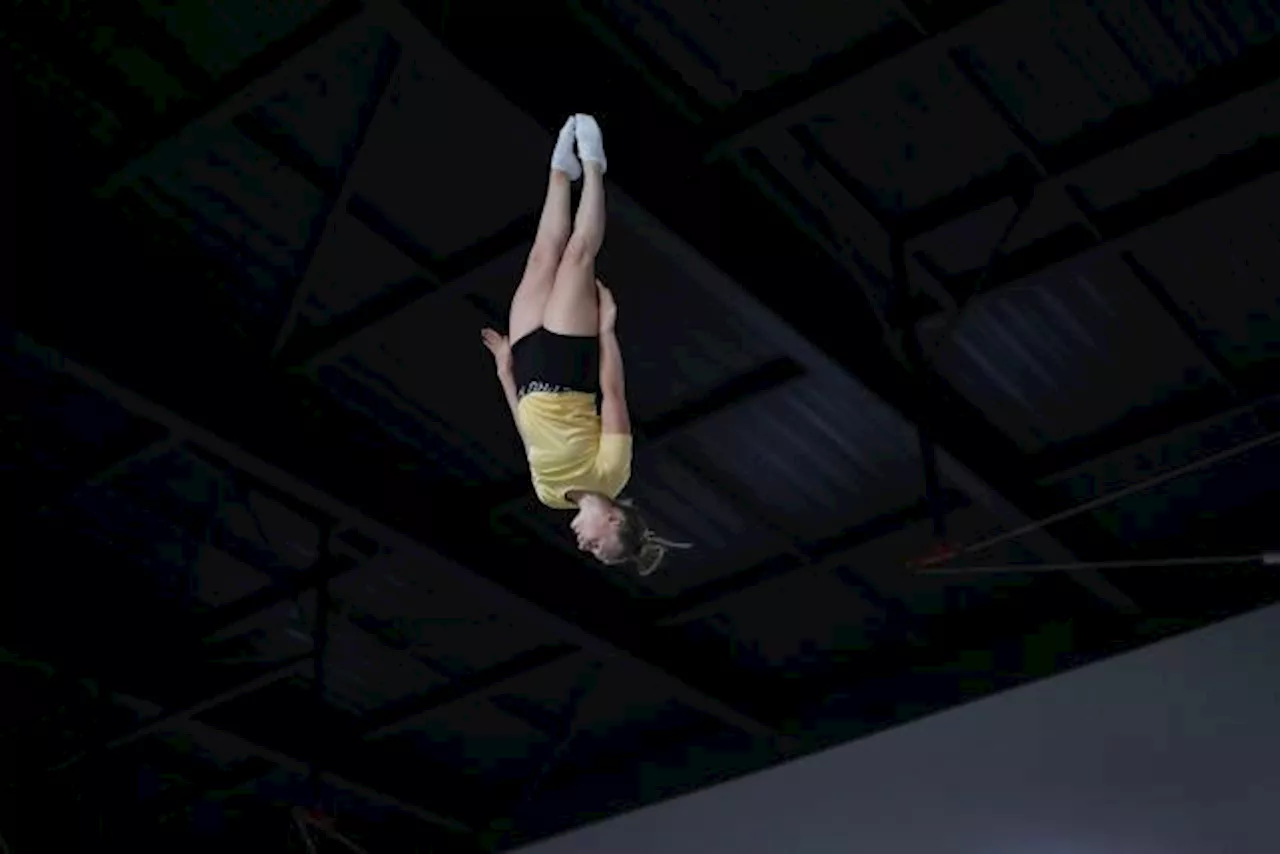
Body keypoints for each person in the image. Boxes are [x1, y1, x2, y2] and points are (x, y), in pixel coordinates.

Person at [480, 114, 690, 576]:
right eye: (600, 547)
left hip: (530, 368)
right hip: (567, 368)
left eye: (592, 552)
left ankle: (561, 174)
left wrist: (504, 370)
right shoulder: (613, 474)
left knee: (541, 255)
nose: (586, 547)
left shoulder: (548, 495)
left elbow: (526, 432)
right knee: (576, 255)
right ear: (614, 520)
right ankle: (594, 168)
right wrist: (607, 330)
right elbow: (613, 393)